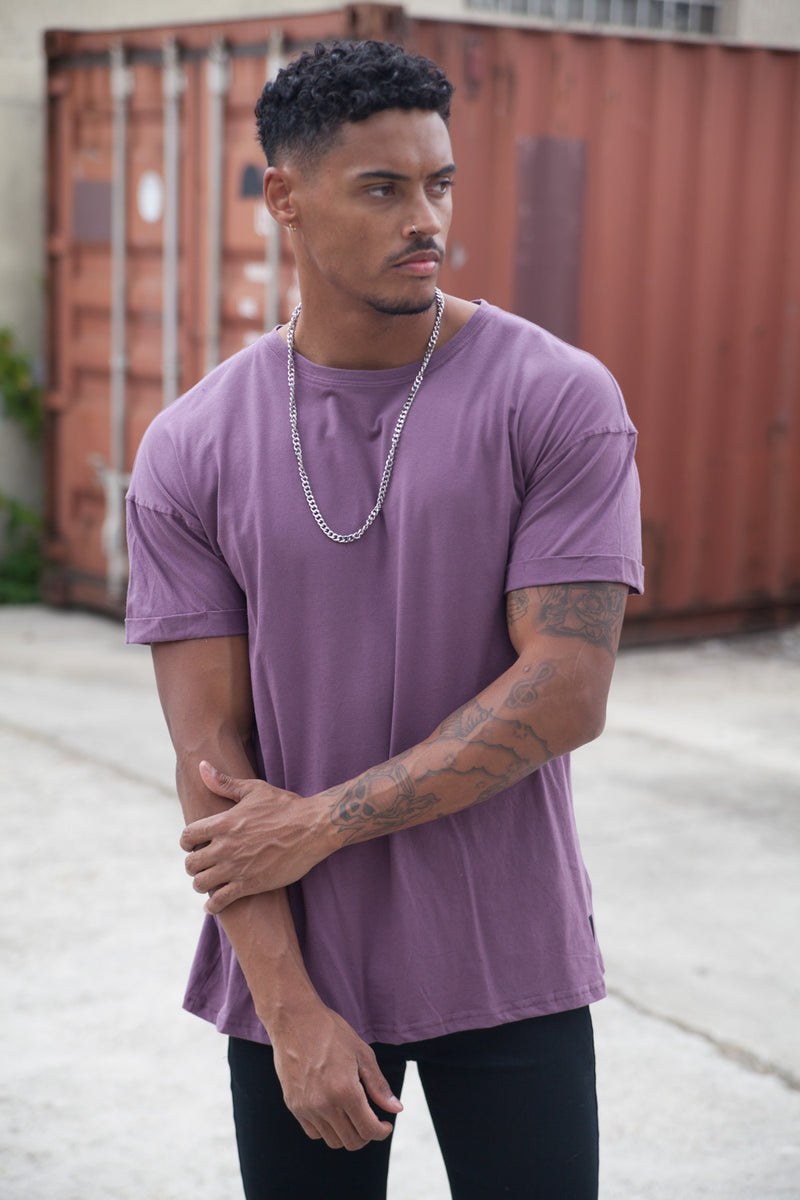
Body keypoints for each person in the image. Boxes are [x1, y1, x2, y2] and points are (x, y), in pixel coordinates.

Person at [125, 39, 643, 1200]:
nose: (426, 220)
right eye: (381, 188)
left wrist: (318, 824)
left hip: (508, 962)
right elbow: (210, 761)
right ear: (283, 197)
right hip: (298, 977)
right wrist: (288, 1007)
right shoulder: (191, 449)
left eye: (438, 183)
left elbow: (566, 689)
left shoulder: (555, 398)